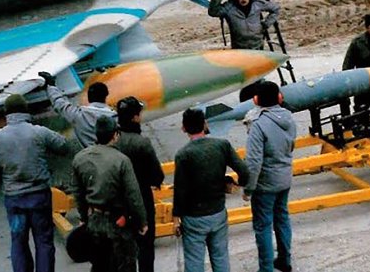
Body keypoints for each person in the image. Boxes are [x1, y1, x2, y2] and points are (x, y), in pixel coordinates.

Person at [0, 94, 69, 272]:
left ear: (6, 113)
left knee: (18, 241)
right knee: (44, 241)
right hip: (39, 196)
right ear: (25, 111)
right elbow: (63, 146)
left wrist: (3, 171)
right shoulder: (39, 132)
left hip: (14, 199)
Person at [173, 108, 250, 272]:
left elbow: (180, 190)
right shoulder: (222, 145)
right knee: (220, 257)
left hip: (193, 217)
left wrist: (176, 219)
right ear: (205, 124)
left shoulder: (183, 154)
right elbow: (244, 171)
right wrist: (238, 184)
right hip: (218, 212)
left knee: (194, 262)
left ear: (184, 128)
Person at [72, 115, 148, 272]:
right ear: (115, 135)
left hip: (94, 221)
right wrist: (142, 222)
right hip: (118, 222)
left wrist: (84, 218)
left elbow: (78, 194)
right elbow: (133, 195)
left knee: (99, 264)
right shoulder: (121, 160)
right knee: (125, 263)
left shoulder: (80, 158)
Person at [242, 81, 296, 272]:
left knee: (263, 226)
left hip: (265, 184)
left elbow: (254, 162)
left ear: (256, 100)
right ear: (279, 98)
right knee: (282, 219)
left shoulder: (258, 124)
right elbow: (290, 147)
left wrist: (248, 188)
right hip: (285, 178)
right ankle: (285, 260)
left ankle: (266, 268)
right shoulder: (288, 117)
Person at [114, 96, 165, 272]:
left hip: (117, 201)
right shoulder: (141, 143)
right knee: (145, 246)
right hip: (142, 198)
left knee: (122, 249)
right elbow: (157, 175)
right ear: (135, 117)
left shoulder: (112, 141)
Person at [40, 71, 117, 148]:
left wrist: (51, 86)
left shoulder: (78, 115)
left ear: (88, 97)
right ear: (106, 95)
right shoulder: (116, 117)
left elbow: (59, 103)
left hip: (89, 155)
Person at [207, 0, 280, 51]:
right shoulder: (230, 7)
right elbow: (213, 12)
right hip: (239, 48)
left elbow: (276, 9)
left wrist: (265, 24)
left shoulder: (257, 3)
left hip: (257, 46)